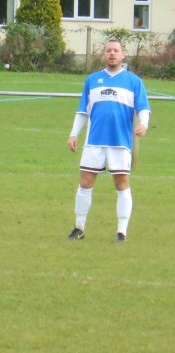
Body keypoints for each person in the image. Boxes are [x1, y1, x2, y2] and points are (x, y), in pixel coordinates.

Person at [66, 39, 150, 242]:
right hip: (94, 141)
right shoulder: (93, 80)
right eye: (108, 50)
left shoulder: (133, 81)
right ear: (104, 55)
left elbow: (143, 107)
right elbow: (82, 111)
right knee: (85, 183)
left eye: (116, 50)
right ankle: (79, 228)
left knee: (122, 184)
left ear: (122, 55)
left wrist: (144, 124)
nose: (112, 53)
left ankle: (122, 231)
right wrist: (73, 134)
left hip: (120, 142)